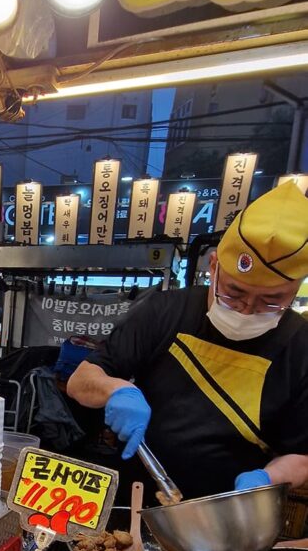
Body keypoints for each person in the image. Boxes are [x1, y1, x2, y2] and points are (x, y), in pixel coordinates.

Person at [67, 180, 308, 499]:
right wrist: (116, 389)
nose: (248, 310)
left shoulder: (300, 346)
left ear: (296, 288)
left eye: (271, 301)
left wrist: (267, 479)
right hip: (136, 502)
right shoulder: (166, 311)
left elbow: (301, 454)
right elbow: (80, 380)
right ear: (214, 267)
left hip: (229, 513)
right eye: (234, 292)